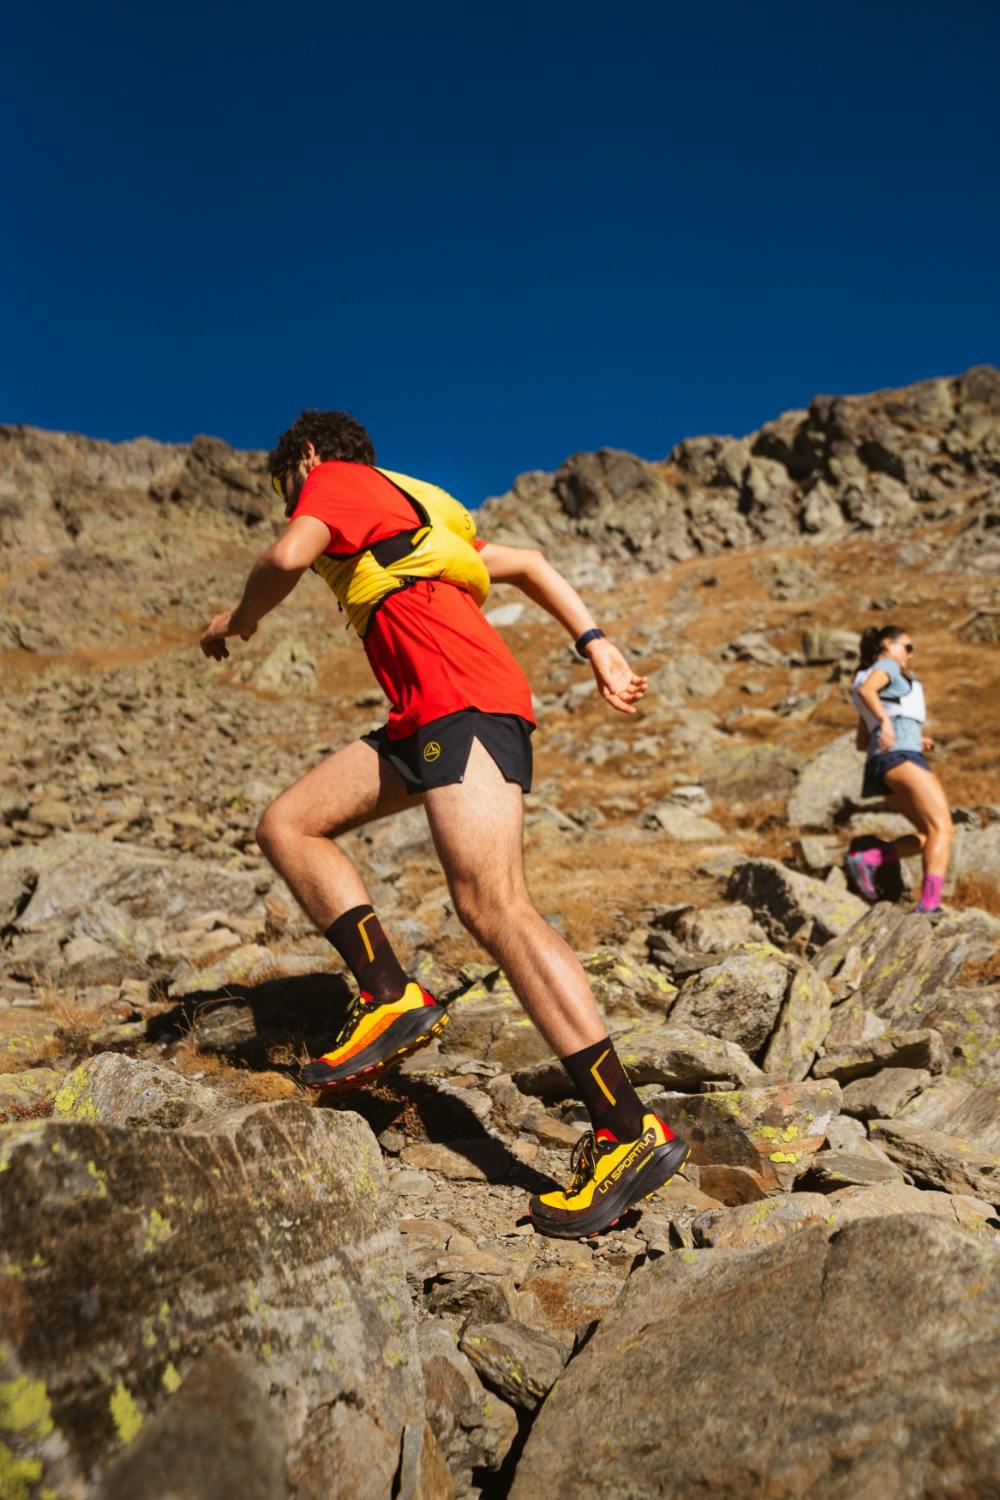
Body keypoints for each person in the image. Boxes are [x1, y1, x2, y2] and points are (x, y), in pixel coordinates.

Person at [199, 409, 689, 1237]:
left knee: (493, 905)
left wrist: (237, 623)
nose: (296, 503)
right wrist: (596, 643)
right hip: (425, 713)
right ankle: (388, 994)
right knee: (289, 823)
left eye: (290, 485)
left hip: (461, 702)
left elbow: (286, 555)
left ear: (309, 458)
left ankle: (626, 1128)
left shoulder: (333, 480)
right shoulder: (413, 512)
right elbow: (527, 562)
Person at [846, 624, 953, 918]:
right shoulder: (886, 667)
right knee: (943, 828)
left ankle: (868, 858)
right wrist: (890, 724)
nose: (910, 654)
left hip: (880, 764)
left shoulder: (861, 680)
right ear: (887, 645)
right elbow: (872, 695)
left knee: (927, 834)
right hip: (900, 759)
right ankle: (929, 905)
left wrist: (910, 736)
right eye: (907, 647)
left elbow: (863, 740)